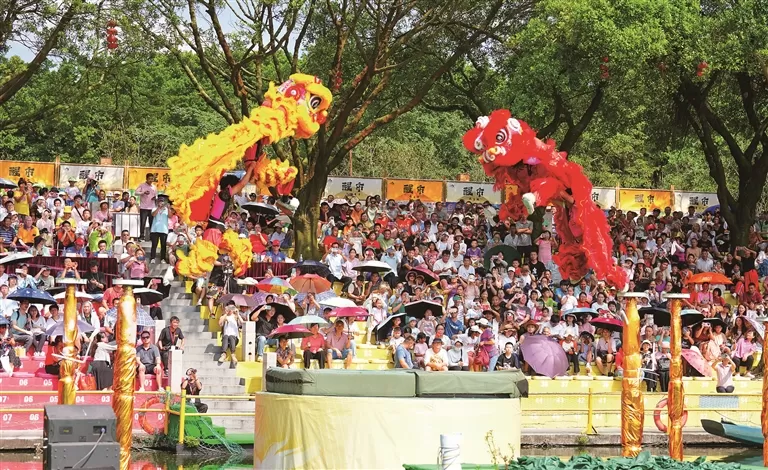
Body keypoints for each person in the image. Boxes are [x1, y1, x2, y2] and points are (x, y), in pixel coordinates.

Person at [136, 173, 157, 240]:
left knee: (152, 223)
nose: (151, 180)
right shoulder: (142, 185)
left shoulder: (154, 187)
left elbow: (156, 195)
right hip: (144, 207)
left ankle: (152, 237)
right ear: (146, 179)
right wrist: (143, 192)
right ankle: (142, 236)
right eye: (150, 179)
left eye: (152, 179)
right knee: (143, 223)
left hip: (152, 207)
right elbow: (136, 193)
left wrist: (155, 198)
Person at [149, 197, 170, 263]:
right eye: (159, 201)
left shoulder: (166, 209)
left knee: (163, 245)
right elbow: (153, 214)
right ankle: (152, 258)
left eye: (162, 201)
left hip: (164, 230)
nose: (161, 203)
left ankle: (162, 259)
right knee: (154, 244)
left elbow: (170, 216)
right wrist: (158, 208)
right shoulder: (154, 208)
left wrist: (169, 208)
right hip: (155, 229)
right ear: (157, 202)